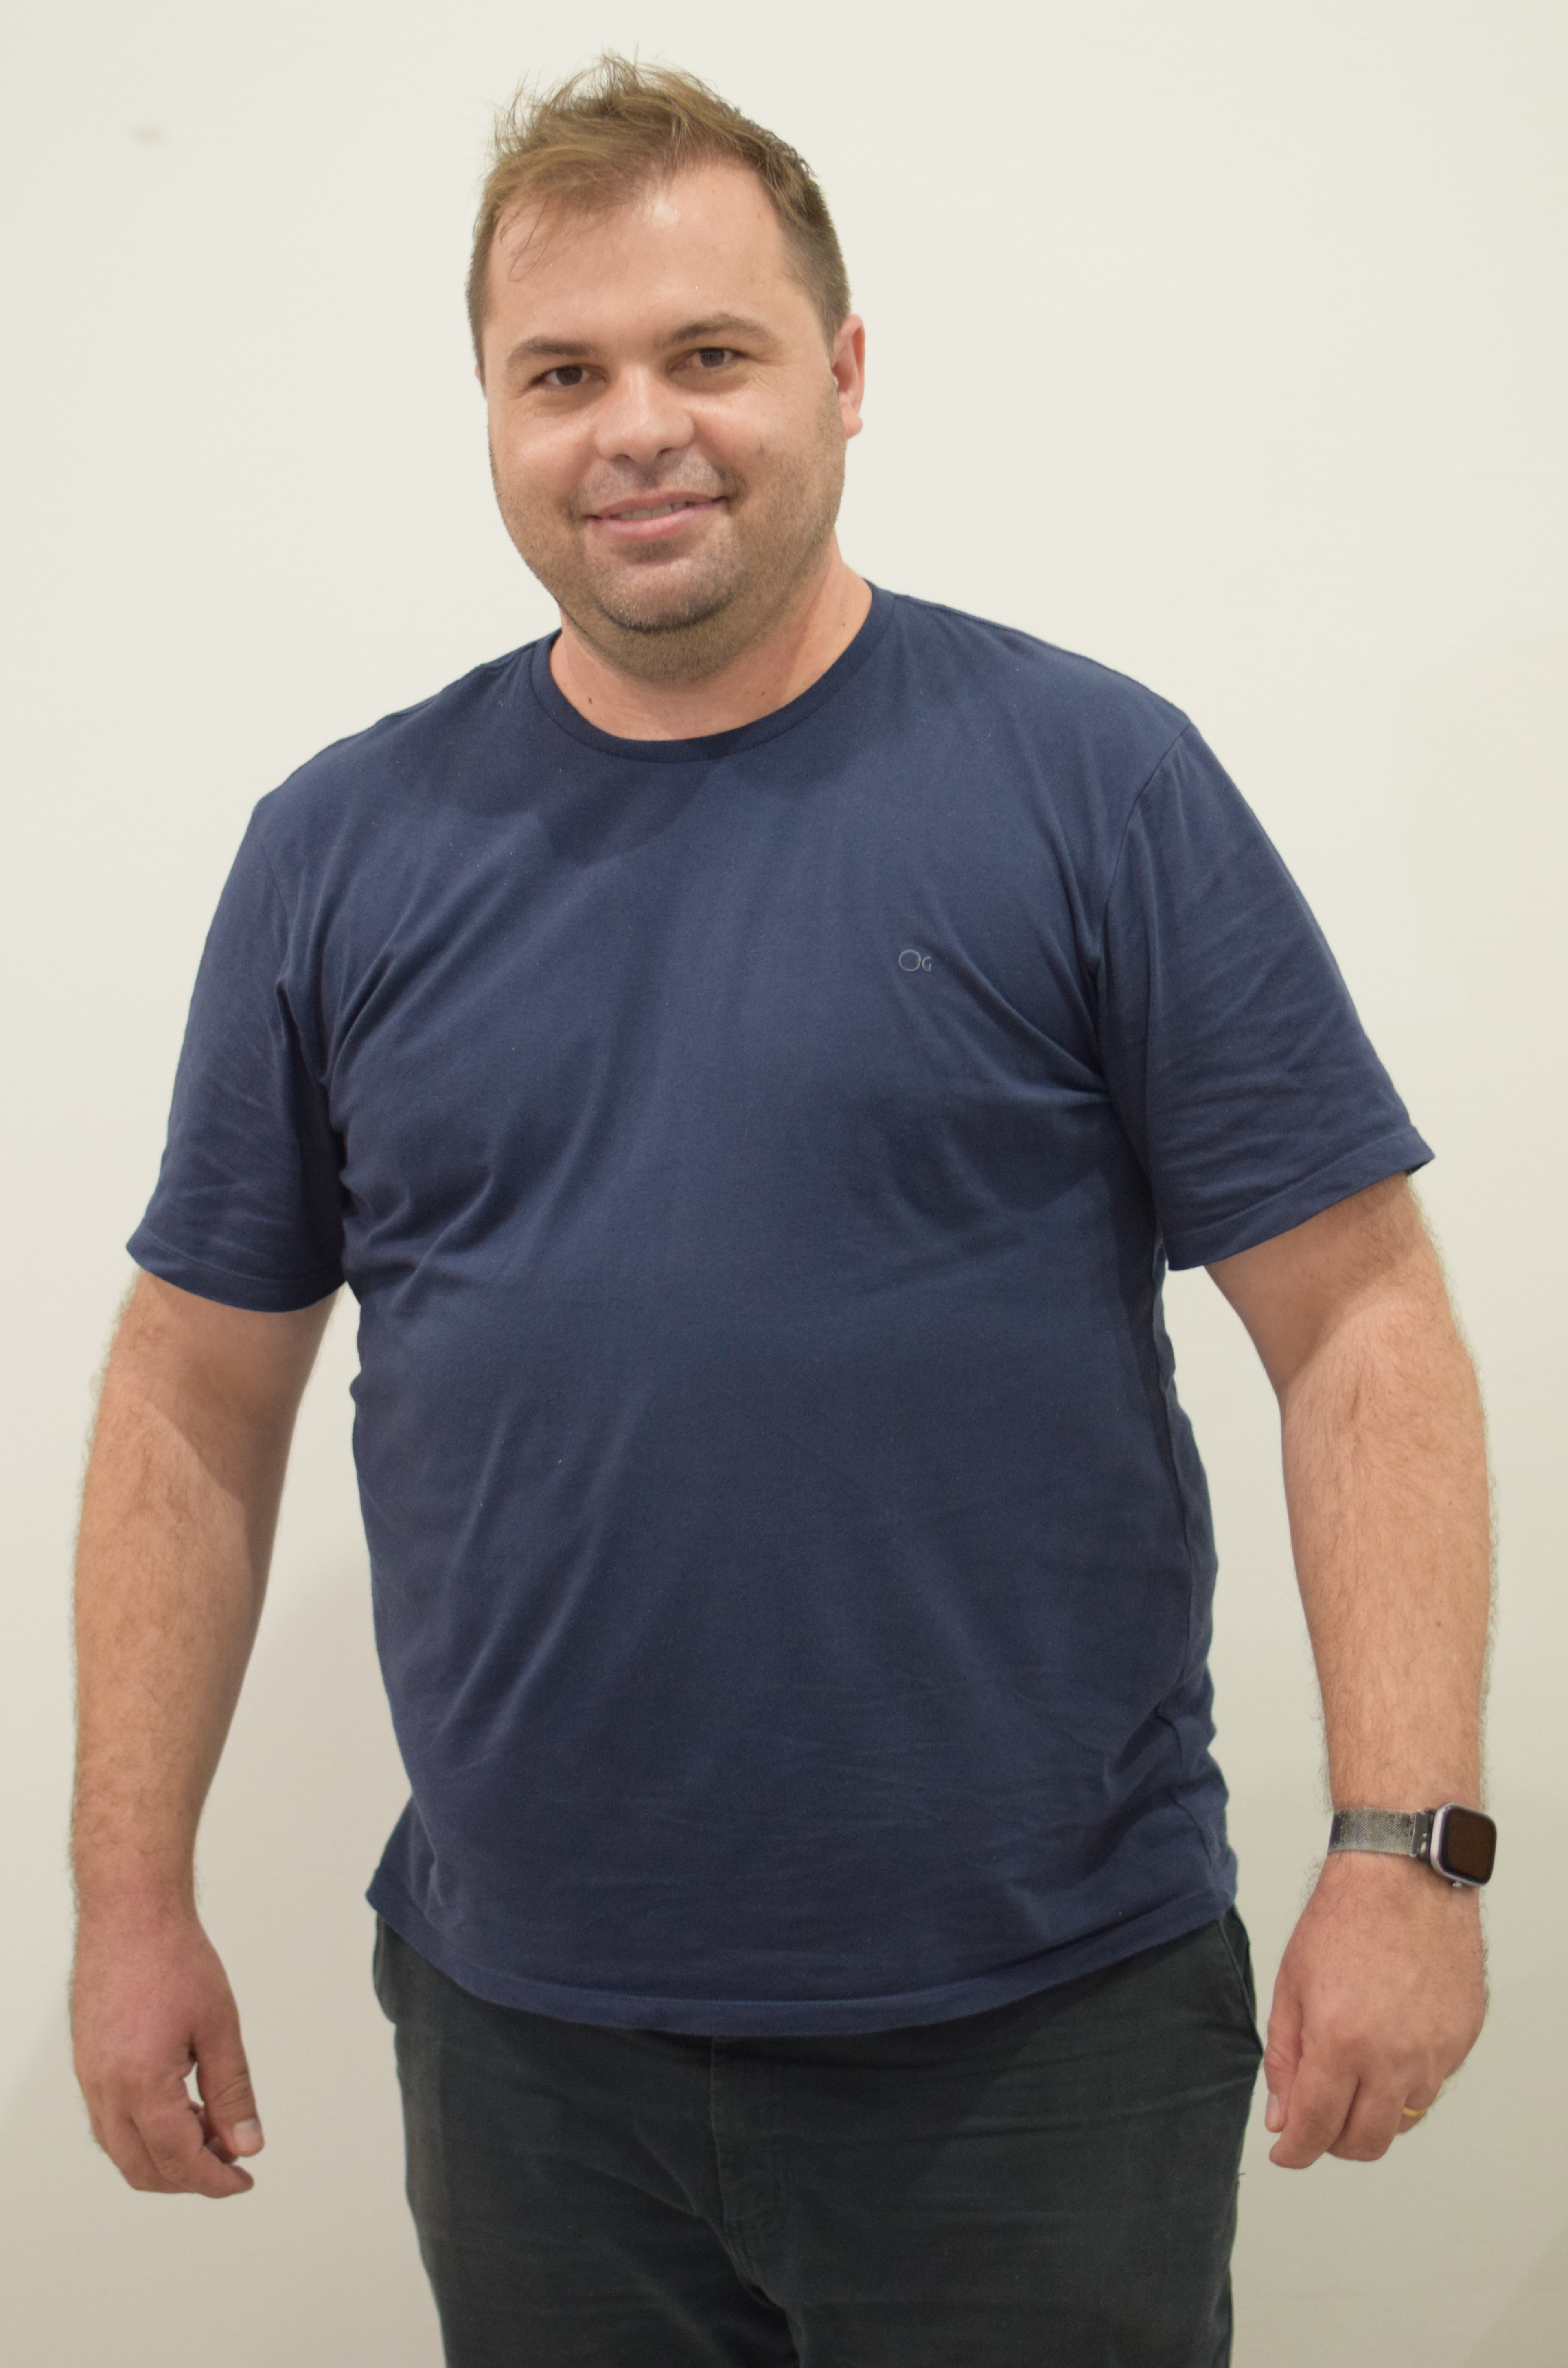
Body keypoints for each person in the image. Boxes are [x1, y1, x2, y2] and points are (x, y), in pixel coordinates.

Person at [70, 55, 1492, 2368]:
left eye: (708, 353)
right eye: (562, 374)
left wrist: (1406, 1849)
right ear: (492, 414)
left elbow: (1362, 1321)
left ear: (841, 373)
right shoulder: (341, 850)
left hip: (1038, 2042)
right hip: (527, 2055)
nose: (638, 429)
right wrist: (128, 1894)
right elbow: (189, 1392)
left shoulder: (1092, 784)